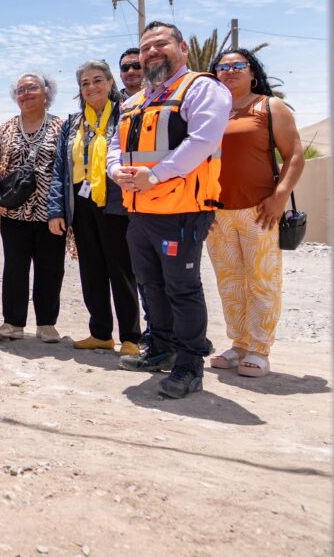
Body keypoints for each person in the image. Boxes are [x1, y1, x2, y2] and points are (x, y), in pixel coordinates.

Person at [109, 21, 231, 399]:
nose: (151, 52)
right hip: (140, 211)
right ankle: (161, 348)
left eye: (160, 44)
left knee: (182, 288)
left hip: (182, 211)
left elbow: (202, 141)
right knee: (150, 284)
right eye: (145, 47)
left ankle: (190, 366)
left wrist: (155, 175)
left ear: (183, 47)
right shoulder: (135, 101)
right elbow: (115, 146)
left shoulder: (201, 88)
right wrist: (115, 171)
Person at [205, 48, 304, 377]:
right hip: (217, 213)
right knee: (230, 282)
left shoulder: (269, 107)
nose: (230, 71)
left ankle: (260, 349)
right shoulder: (209, 112)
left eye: (238, 65)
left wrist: (279, 197)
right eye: (223, 67)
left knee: (262, 281)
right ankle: (239, 344)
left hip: (260, 210)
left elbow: (294, 155)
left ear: (252, 73)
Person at [48, 60, 141, 356]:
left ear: (111, 83)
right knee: (91, 270)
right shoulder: (74, 123)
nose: (91, 87)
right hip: (81, 204)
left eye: (98, 80)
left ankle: (131, 337)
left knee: (122, 270)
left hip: (116, 204)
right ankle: (100, 333)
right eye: (85, 83)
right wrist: (56, 209)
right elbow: (60, 169)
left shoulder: (127, 115)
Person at [0, 72, 66, 343]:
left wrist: (62, 207)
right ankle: (13, 323)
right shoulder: (5, 129)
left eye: (32, 88)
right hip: (13, 212)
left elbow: (69, 169)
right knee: (15, 268)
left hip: (51, 213)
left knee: (50, 268)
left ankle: (47, 324)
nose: (26, 93)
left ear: (46, 93)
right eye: (21, 90)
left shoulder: (61, 128)